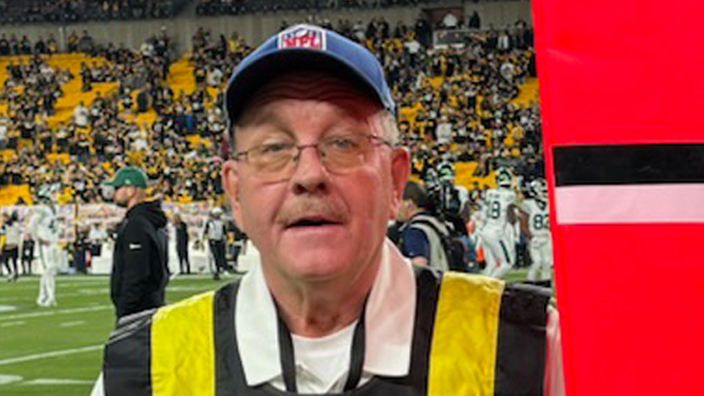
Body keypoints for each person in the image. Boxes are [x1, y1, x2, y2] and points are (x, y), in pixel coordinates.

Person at [93, 24, 563, 396]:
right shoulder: (146, 369)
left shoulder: (530, 349)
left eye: (342, 143)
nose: (309, 173)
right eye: (274, 147)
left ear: (396, 179)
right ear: (234, 192)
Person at [104, 166, 169, 319]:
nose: (114, 193)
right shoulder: (150, 221)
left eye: (118, 188)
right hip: (150, 308)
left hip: (138, 313)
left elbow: (136, 274)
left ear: (131, 190)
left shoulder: (137, 225)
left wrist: (125, 312)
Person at [396, 181, 450, 270]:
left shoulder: (415, 231)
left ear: (409, 204)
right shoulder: (437, 224)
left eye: (398, 201)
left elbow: (419, 265)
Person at [480, 167, 518, 278]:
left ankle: (480, 287)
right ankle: (488, 286)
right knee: (507, 264)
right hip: (496, 233)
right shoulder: (510, 195)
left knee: (491, 264)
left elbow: (484, 212)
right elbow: (511, 216)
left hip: (485, 230)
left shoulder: (489, 193)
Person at [31, 187, 60, 307]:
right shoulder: (41, 210)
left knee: (50, 270)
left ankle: (43, 296)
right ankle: (50, 296)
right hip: (44, 243)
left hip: (52, 241)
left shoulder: (54, 209)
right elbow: (32, 225)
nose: (55, 195)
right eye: (53, 193)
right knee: (47, 270)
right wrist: (38, 239)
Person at [520, 178, 553, 282]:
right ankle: (530, 282)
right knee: (537, 262)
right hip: (535, 237)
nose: (545, 193)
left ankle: (546, 283)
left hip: (547, 236)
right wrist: (530, 237)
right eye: (543, 190)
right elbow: (523, 223)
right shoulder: (528, 204)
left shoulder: (550, 203)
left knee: (547, 262)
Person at [202, 207, 227, 280]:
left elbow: (224, 231)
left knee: (221, 255)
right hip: (212, 240)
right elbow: (206, 231)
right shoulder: (210, 222)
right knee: (214, 255)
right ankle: (215, 270)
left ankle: (221, 268)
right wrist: (204, 239)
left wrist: (224, 238)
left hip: (220, 240)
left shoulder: (221, 222)